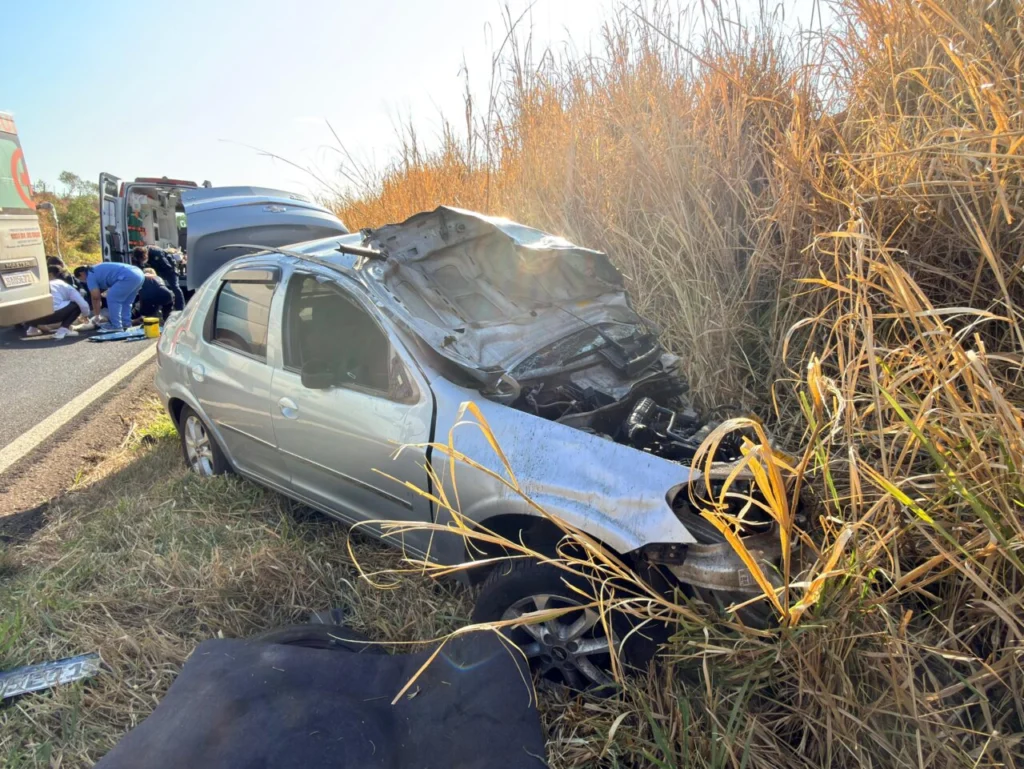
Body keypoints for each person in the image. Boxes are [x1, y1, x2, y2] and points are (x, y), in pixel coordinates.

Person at [21, 264, 92, 340]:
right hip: (51, 316)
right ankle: (63, 330)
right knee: (76, 305)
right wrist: (85, 315)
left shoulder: (37, 285)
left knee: (37, 306)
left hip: (29, 318)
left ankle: (32, 329)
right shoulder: (63, 285)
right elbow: (83, 304)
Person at [74, 261, 145, 331]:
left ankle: (116, 326)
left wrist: (97, 316)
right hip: (139, 274)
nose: (84, 282)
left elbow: (96, 297)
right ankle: (126, 324)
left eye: (81, 279)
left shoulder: (89, 276)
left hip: (128, 276)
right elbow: (98, 294)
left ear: (81, 274)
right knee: (126, 302)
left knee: (112, 298)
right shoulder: (96, 269)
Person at [132, 246, 184, 311]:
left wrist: (157, 277)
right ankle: (152, 308)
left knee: (175, 287)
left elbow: (167, 266)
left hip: (169, 269)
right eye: (140, 260)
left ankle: (180, 308)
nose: (141, 262)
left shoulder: (156, 253)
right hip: (155, 270)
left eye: (142, 259)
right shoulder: (138, 256)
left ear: (144, 256)